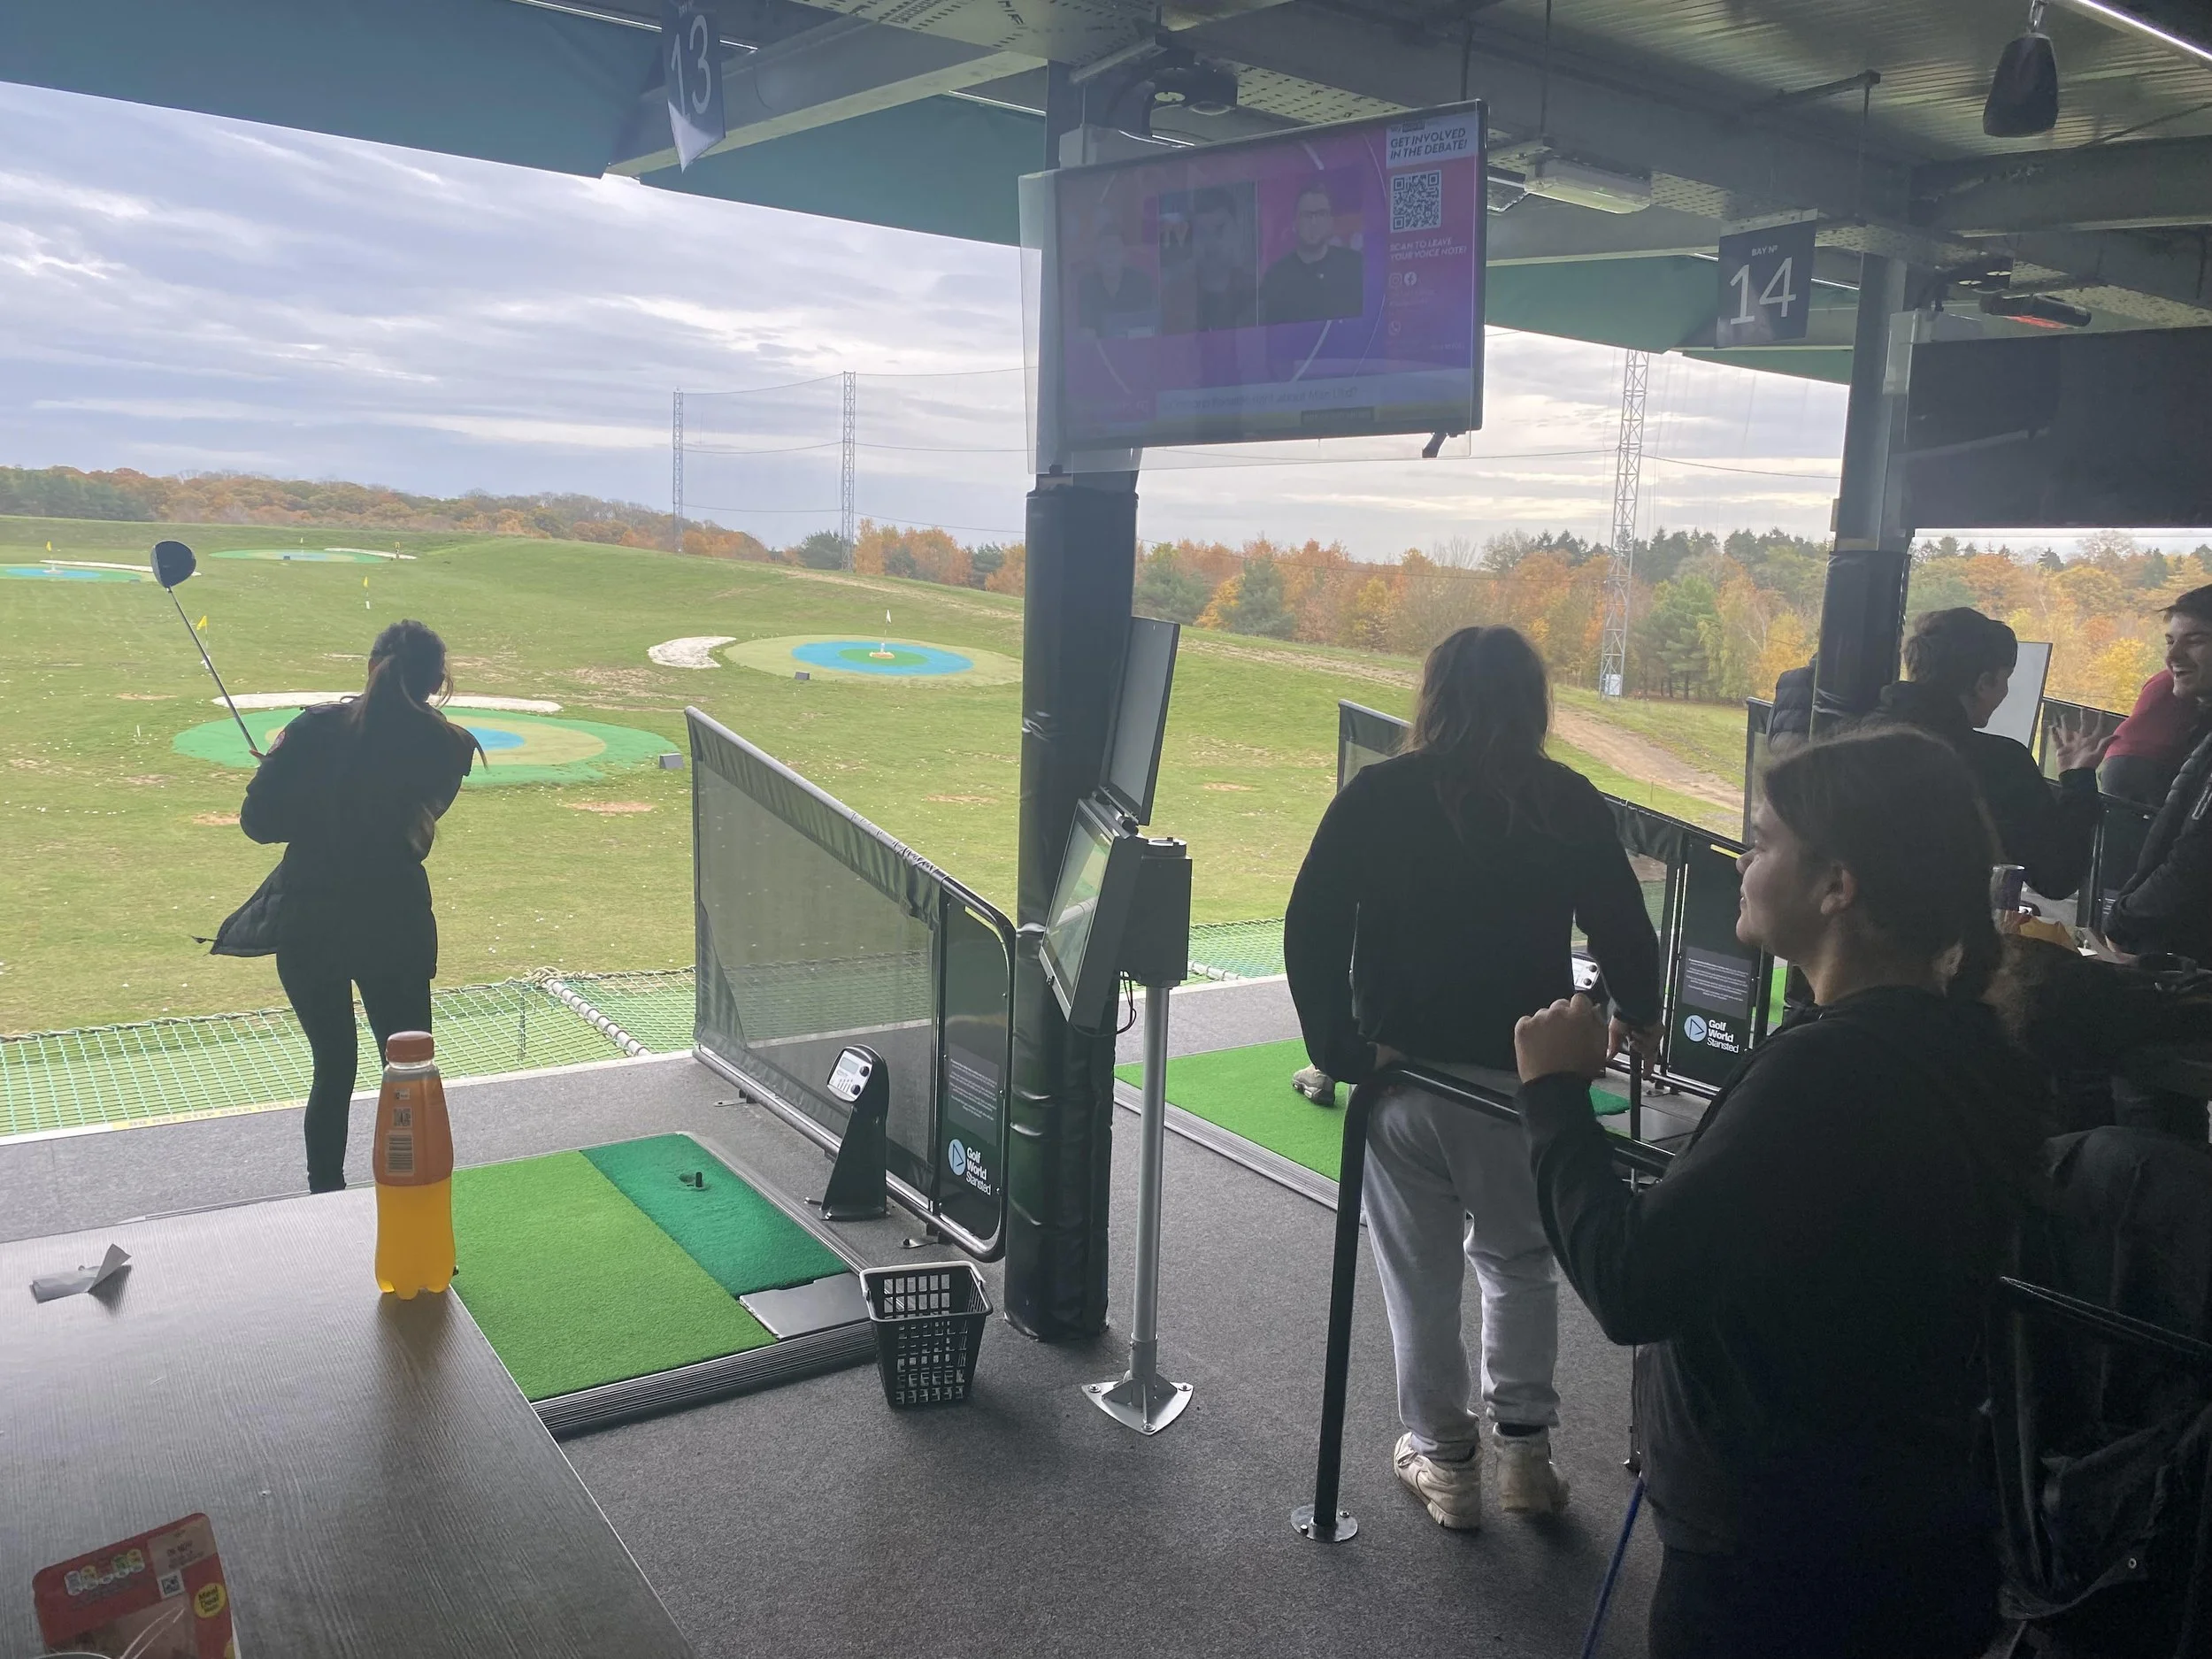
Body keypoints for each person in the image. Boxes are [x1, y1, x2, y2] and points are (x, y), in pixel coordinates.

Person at [1514, 728, 2047, 1659]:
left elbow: (1632, 1281)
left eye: (1761, 842)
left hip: (1775, 1567)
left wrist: (1555, 1097)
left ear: (1837, 886)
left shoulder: (1827, 1072)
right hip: (1901, 1535)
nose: (1742, 862)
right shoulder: (1971, 1050)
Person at [1284, 626, 1662, 1530]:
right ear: (1533, 705)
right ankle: (1524, 1455)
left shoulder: (1381, 793)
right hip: (1518, 1083)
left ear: (1435, 696)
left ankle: (1446, 1462)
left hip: (1401, 1080)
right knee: (1519, 1260)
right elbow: (1622, 921)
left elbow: (1310, 922)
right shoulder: (1565, 797)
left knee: (1418, 1274)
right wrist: (1635, 1011)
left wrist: (1341, 1050)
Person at [241, 621, 480, 1192]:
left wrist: (283, 772)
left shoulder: (312, 729)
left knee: (333, 1067)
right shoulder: (450, 745)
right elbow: (407, 820)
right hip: (393, 918)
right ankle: (419, 1199)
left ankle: (325, 1198)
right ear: (436, 681)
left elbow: (259, 823)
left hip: (311, 914)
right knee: (409, 1073)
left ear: (372, 666)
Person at [1870, 605, 2107, 898]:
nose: (2005, 692)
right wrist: (2079, 783)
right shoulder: (1999, 763)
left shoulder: (1855, 737)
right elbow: (2057, 876)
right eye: (2005, 678)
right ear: (1983, 683)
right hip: (1941, 923)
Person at [2107, 586, 2212, 967]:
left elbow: (2194, 860)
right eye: (2170, 641)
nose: (2173, 656)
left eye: (2195, 641)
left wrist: (2123, 920)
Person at [1258, 180, 1363, 326]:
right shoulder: (1275, 277)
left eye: (1321, 214)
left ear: (1330, 221)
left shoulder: (1355, 266)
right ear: (1294, 223)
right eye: (1307, 215)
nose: (1314, 222)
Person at [2101, 664, 2204, 808]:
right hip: (2158, 758)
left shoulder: (2162, 677)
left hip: (2117, 757)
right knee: (2163, 817)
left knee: (2117, 817)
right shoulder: (2198, 681)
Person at [1160, 187, 1255, 334]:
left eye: (1219, 229)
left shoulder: (1258, 297)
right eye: (1202, 232)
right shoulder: (1173, 301)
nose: (1211, 243)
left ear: (1238, 231)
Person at [1075, 221, 1156, 338]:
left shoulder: (1142, 283)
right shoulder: (1087, 286)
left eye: (1115, 250)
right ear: (1096, 257)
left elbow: (1149, 329)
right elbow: (1086, 332)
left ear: (1125, 255)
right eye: (1105, 251)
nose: (1110, 257)